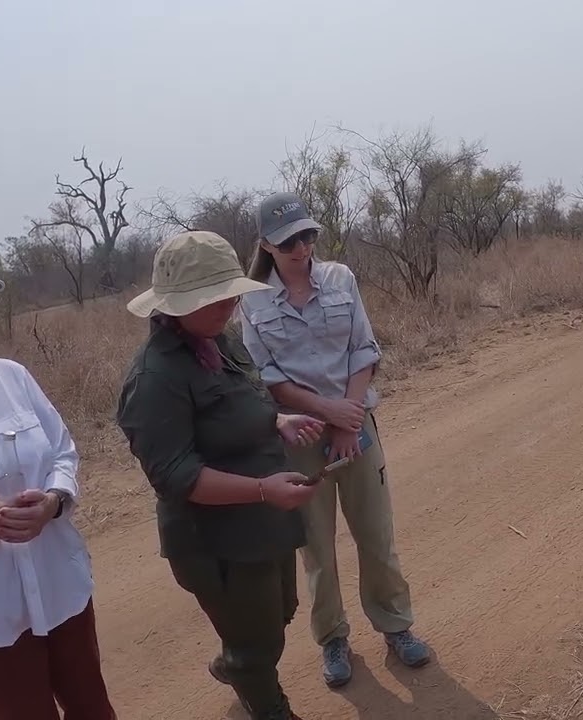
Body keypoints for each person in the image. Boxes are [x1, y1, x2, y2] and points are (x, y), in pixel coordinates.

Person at [116, 230, 328, 720]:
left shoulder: (220, 340)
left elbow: (242, 406)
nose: (227, 306)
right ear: (171, 307)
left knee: (280, 612)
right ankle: (265, 700)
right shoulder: (155, 378)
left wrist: (277, 420)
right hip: (216, 540)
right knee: (257, 645)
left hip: (264, 521)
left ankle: (236, 661)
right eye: (211, 299)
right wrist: (260, 489)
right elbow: (177, 476)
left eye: (229, 294)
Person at [236, 191, 431, 689]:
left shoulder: (340, 279)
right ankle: (333, 638)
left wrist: (350, 419)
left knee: (375, 534)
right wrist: (326, 412)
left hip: (356, 425)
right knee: (316, 547)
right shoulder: (251, 299)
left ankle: (396, 626)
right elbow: (268, 377)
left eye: (307, 236)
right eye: (288, 243)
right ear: (266, 246)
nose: (301, 249)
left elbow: (364, 349)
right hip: (300, 434)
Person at [0, 270, 118, 718]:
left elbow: (63, 451)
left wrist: (54, 502)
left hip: (60, 587)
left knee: (93, 709)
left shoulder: (11, 377)